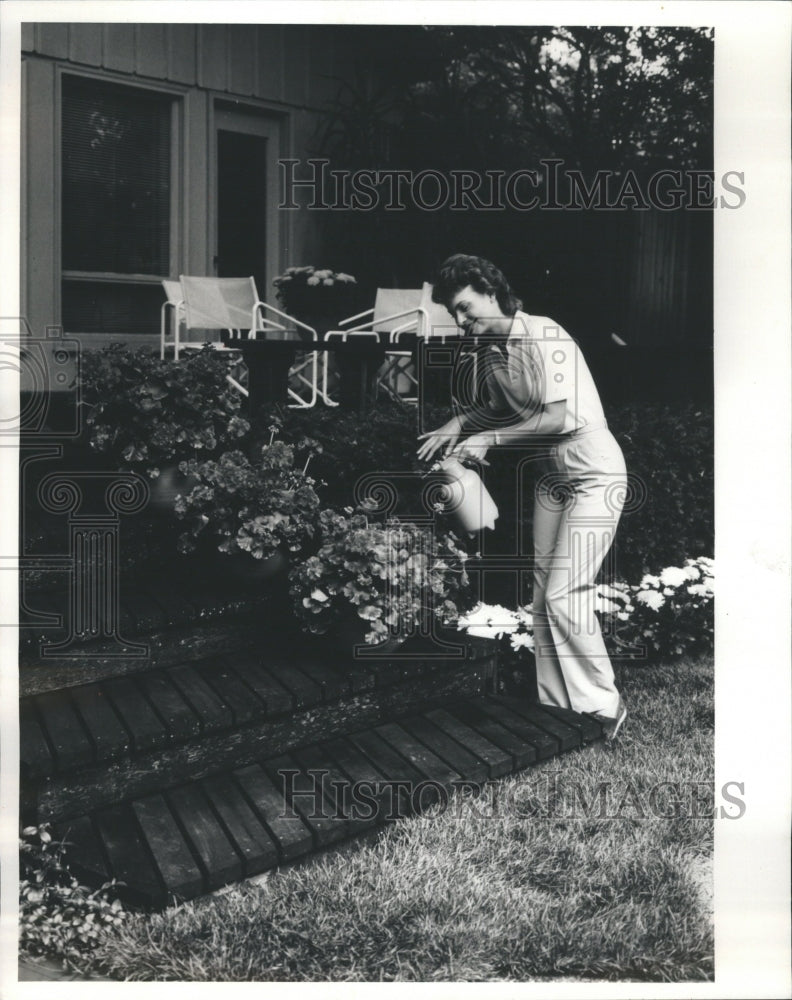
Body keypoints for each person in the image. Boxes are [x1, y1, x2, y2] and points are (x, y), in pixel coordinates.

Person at [418, 254, 628, 739]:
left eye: (466, 307)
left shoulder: (543, 333)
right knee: (541, 595)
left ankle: (603, 706)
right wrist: (458, 424)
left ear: (491, 291)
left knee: (564, 591)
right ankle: (559, 707)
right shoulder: (491, 351)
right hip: (550, 475)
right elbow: (495, 407)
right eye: (454, 313)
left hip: (592, 468)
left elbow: (556, 417)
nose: (461, 320)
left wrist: (487, 441)